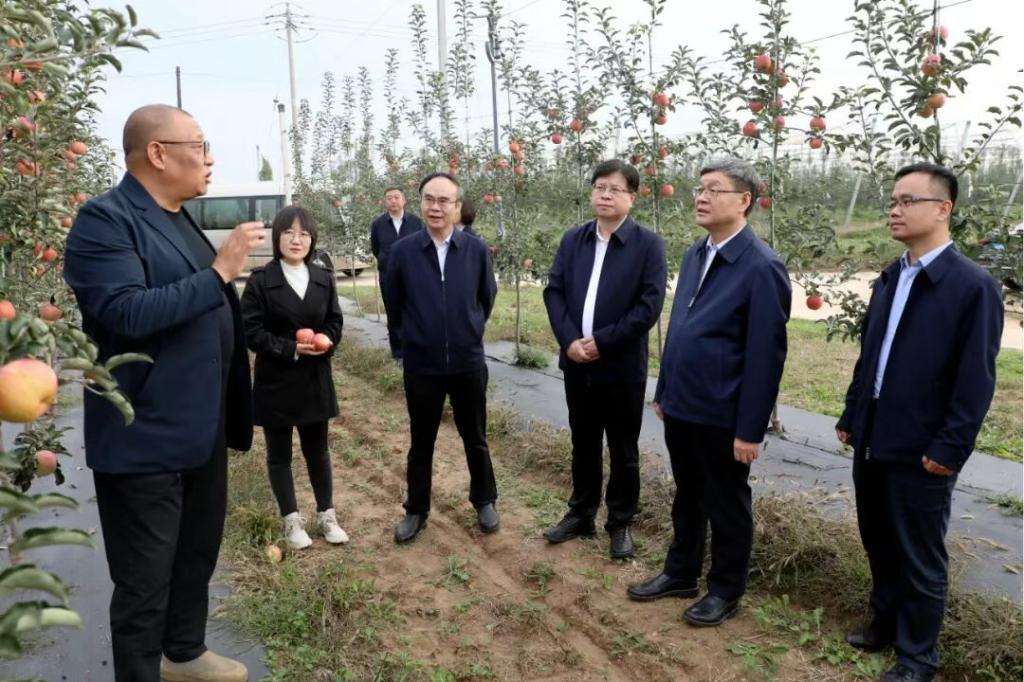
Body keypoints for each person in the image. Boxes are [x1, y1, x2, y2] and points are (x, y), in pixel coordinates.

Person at [63, 104, 262, 682]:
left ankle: (184, 651)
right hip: (144, 434)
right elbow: (124, 313)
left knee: (196, 553)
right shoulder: (105, 220)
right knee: (144, 579)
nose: (209, 158)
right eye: (199, 145)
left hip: (199, 428)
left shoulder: (177, 218)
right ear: (157, 153)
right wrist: (220, 272)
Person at [836, 163, 1003, 682]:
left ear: (943, 208)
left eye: (907, 200)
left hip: (924, 443)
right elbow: (871, 354)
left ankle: (917, 658)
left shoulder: (971, 286)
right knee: (879, 538)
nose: (895, 209)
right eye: (892, 201)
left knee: (919, 553)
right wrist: (853, 412)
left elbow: (976, 379)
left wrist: (950, 446)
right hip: (875, 432)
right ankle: (883, 625)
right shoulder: (892, 276)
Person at [628, 158, 790, 627]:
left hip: (723, 411)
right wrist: (665, 391)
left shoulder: (761, 266)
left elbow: (766, 356)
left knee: (727, 502)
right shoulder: (696, 254)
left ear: (744, 201)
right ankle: (680, 572)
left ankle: (725, 589)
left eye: (713, 190)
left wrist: (751, 428)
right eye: (699, 189)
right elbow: (680, 328)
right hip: (683, 404)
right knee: (688, 495)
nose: (700, 197)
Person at [542, 159, 667, 559]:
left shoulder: (648, 245)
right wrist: (569, 341)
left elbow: (648, 306)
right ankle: (581, 513)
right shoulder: (573, 239)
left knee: (623, 449)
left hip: (621, 367)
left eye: (615, 189)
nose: (605, 195)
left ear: (632, 196)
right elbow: (554, 292)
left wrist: (602, 342)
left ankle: (620, 522)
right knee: (583, 442)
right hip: (577, 363)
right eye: (599, 187)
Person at [384, 172, 499, 544]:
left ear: (457, 206)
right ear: (421, 203)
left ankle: (484, 500)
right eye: (429, 199)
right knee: (421, 441)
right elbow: (394, 305)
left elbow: (486, 298)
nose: (435, 207)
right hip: (422, 365)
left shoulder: (476, 251)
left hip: (467, 362)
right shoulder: (403, 253)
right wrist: (407, 346)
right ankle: (416, 510)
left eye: (444, 201)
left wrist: (469, 330)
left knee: (475, 436)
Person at [241, 206, 349, 551]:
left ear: (312, 239)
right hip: (276, 379)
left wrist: (327, 339)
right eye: (289, 232)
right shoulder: (261, 281)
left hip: (314, 377)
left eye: (304, 234)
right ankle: (291, 519)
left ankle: (327, 515)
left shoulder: (322, 278)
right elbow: (250, 330)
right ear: (278, 238)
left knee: (318, 450)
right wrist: (290, 348)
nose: (296, 239)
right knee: (279, 454)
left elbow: (334, 321)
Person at [370, 187, 425, 359]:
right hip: (388, 277)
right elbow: (375, 248)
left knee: (415, 312)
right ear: (385, 202)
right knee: (393, 315)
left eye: (396, 197)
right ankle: (399, 354)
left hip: (413, 277)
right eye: (389, 198)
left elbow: (423, 247)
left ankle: (416, 348)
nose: (393, 201)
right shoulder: (378, 224)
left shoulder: (416, 223)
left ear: (404, 200)